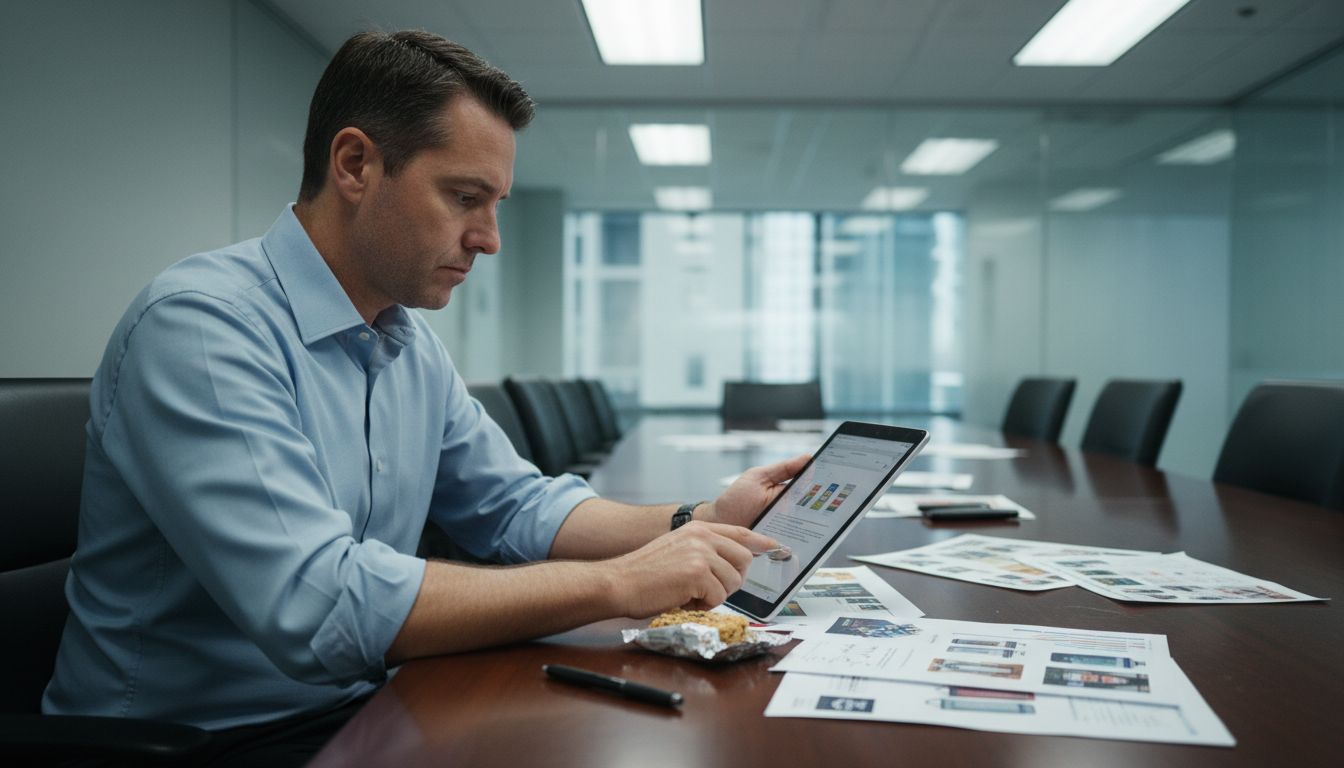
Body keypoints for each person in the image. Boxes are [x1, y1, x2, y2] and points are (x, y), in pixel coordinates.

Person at [43, 29, 806, 764]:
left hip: (359, 704)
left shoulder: (405, 343)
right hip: (201, 741)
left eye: (495, 203)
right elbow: (316, 607)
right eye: (465, 196)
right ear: (355, 165)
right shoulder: (204, 327)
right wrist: (620, 582)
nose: (489, 238)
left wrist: (703, 520)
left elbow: (514, 508)